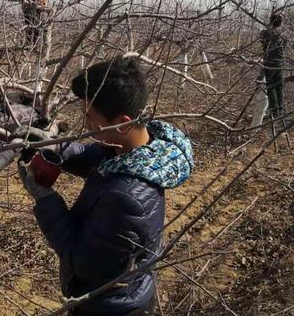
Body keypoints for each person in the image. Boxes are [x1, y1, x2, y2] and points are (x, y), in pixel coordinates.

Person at [17, 57, 194, 315]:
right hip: (122, 294)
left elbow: (81, 260)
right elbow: (94, 156)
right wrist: (53, 146)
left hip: (110, 307)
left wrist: (45, 199)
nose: (85, 124)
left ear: (122, 122)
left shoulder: (125, 198)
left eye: (89, 116)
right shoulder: (141, 149)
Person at [259, 13, 287, 117]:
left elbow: (262, 41)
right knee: (279, 86)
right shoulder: (283, 36)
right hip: (279, 64)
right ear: (280, 24)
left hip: (269, 63)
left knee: (271, 87)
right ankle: (281, 109)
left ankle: (274, 111)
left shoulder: (264, 33)